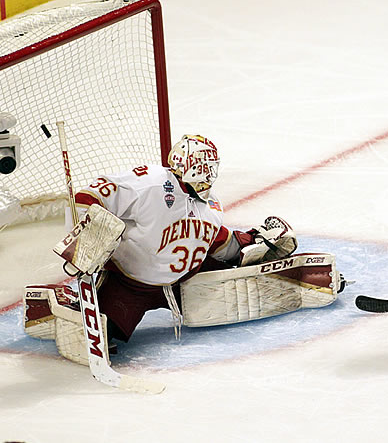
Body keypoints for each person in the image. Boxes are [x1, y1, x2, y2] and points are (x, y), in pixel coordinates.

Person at [22, 134, 344, 364]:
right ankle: (67, 306)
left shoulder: (210, 205)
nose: (212, 172)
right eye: (209, 165)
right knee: (107, 335)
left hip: (185, 282)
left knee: (235, 258)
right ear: (196, 165)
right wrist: (85, 237)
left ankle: (270, 255)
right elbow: (89, 196)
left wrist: (251, 242)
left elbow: (218, 243)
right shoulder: (150, 182)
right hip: (129, 286)